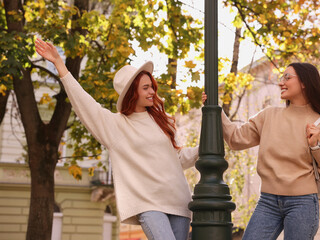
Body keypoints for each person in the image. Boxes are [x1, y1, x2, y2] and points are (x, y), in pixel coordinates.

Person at [35, 38, 199, 240]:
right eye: (146, 88)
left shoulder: (161, 121)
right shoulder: (116, 126)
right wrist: (60, 65)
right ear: (133, 93)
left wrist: (206, 146)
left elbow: (178, 159)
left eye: (152, 86)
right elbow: (85, 104)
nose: (152, 91)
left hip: (179, 202)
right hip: (148, 204)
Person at [203, 62, 320, 240]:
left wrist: (316, 147)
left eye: (287, 77)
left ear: (305, 83)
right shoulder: (269, 115)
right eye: (281, 78)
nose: (281, 83)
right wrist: (215, 109)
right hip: (268, 201)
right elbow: (236, 139)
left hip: (303, 203)